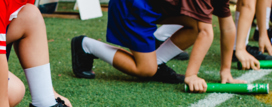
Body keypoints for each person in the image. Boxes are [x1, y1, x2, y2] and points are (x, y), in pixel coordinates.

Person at [72, 0, 245, 92]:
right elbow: (206, 32)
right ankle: (86, 45)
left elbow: (228, 27)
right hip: (133, 6)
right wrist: (191, 75)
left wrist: (226, 71)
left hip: (153, 7)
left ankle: (158, 63)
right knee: (145, 70)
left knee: (194, 25)